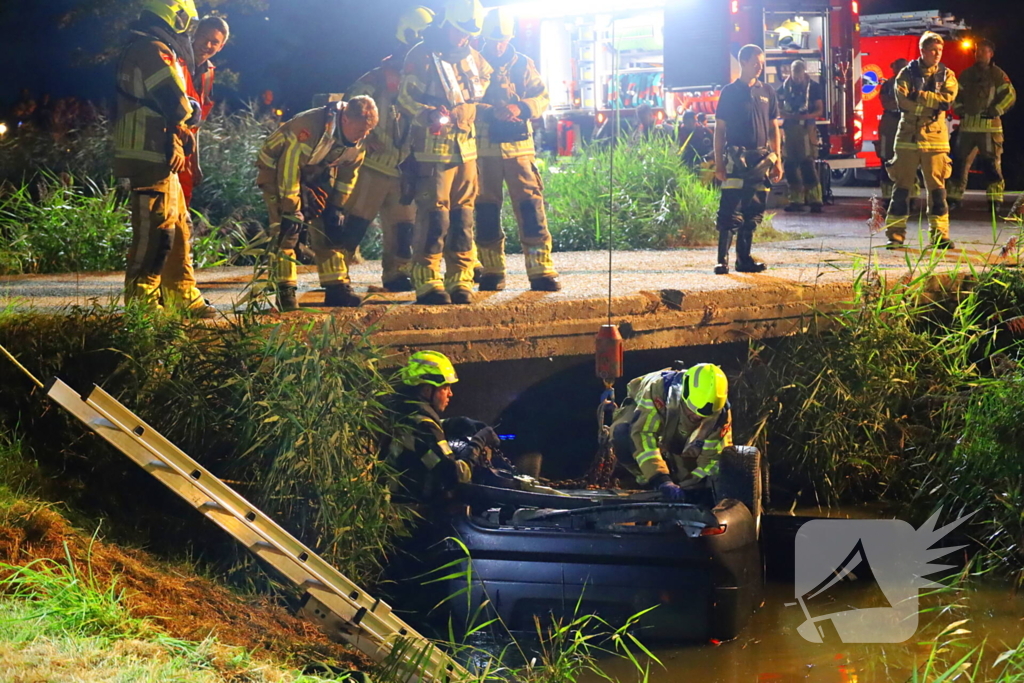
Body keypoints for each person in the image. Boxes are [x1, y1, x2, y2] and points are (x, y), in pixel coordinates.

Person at [113, 0, 217, 318]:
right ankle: (142, 307)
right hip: (148, 150)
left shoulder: (150, 45)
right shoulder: (152, 49)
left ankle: (181, 294)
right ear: (175, 15)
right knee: (155, 231)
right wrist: (192, 110)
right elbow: (178, 105)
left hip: (161, 150)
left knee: (179, 227)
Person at [335, 7, 435, 298]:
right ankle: (336, 274)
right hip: (374, 166)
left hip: (406, 167)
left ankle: (398, 274)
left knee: (404, 226)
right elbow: (349, 109)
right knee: (355, 222)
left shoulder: (429, 77)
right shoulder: (378, 78)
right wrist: (367, 140)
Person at [398, 0, 493, 305]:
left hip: (466, 149)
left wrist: (465, 111)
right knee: (434, 216)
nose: (464, 38)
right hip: (432, 151)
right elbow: (405, 98)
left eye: (468, 33)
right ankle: (427, 280)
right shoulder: (422, 55)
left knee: (463, 216)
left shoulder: (474, 58)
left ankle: (461, 279)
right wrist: (426, 114)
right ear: (447, 24)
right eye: (460, 31)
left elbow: (483, 89)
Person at [256, 96, 379, 311]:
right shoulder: (309, 128)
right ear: (345, 120)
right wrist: (292, 209)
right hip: (278, 171)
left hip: (316, 171)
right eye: (361, 131)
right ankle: (285, 291)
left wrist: (336, 207)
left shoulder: (357, 139)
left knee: (331, 228)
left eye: (368, 132)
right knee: (288, 230)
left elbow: (349, 175)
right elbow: (289, 169)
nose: (364, 136)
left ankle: (337, 287)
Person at [474, 8, 559, 293]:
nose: (498, 45)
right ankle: (491, 270)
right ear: (483, 36)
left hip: (519, 149)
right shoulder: (471, 64)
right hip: (483, 150)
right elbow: (463, 101)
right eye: (493, 39)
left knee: (530, 206)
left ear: (510, 37)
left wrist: (521, 108)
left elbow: (542, 96)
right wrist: (490, 112)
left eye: (503, 39)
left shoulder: (523, 64)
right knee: (485, 210)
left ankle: (541, 271)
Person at [383, 351, 499, 506]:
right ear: (427, 390)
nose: (450, 394)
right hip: (410, 516)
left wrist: (454, 423)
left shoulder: (405, 413)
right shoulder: (423, 426)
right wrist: (479, 441)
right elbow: (456, 475)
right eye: (445, 387)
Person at [610, 364, 733, 500]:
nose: (697, 417)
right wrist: (660, 479)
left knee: (686, 476)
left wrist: (689, 484)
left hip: (682, 439)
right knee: (622, 432)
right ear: (683, 395)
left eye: (703, 416)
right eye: (692, 411)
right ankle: (644, 480)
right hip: (648, 417)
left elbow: (713, 459)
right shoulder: (657, 390)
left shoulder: (720, 413)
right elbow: (643, 435)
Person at [712, 44, 783, 275]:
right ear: (742, 63)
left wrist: (777, 159)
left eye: (762, 63)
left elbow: (774, 128)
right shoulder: (730, 92)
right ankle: (722, 261)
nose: (759, 67)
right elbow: (720, 130)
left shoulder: (768, 92)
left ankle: (744, 260)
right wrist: (719, 163)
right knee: (729, 211)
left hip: (761, 160)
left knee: (753, 213)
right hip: (735, 159)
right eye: (755, 63)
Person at [884, 32, 958, 250]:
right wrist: (929, 107)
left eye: (940, 51)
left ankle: (940, 235)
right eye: (933, 50)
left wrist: (922, 96)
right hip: (908, 137)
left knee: (937, 189)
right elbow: (903, 102)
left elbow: (947, 101)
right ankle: (895, 235)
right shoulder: (905, 74)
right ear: (923, 51)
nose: (937, 55)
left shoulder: (948, 75)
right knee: (902, 188)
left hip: (936, 139)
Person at [947, 40, 1017, 212]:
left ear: (991, 54)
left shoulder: (998, 75)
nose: (979, 54)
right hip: (967, 128)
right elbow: (954, 95)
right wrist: (959, 109)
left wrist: (996, 110)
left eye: (984, 51)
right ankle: (954, 198)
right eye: (977, 52)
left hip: (989, 128)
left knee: (991, 165)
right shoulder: (966, 74)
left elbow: (1010, 95)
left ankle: (994, 201)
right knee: (960, 164)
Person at [180, 15, 229, 206]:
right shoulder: (176, 62)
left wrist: (195, 163)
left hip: (185, 153)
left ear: (221, 46)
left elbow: (196, 125)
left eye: (214, 42)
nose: (207, 45)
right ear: (195, 35)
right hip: (165, 147)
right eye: (203, 38)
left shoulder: (208, 73)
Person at [779, 60, 824, 213]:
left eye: (799, 74)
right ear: (791, 72)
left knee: (807, 164)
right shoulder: (784, 87)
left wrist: (807, 115)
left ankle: (815, 200)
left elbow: (819, 110)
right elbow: (777, 107)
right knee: (790, 165)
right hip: (790, 129)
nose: (797, 78)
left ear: (804, 72)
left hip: (807, 128)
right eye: (794, 74)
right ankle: (796, 200)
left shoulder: (814, 88)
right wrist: (785, 114)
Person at [877, 58, 910, 204]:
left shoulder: (914, 84)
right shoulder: (888, 85)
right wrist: (904, 103)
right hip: (890, 123)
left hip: (908, 122)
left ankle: (910, 196)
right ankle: (888, 196)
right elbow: (886, 103)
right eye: (898, 68)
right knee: (887, 159)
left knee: (909, 161)